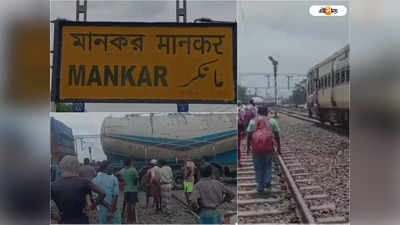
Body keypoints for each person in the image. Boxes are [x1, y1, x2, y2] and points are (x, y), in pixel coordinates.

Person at [51, 155, 106, 224]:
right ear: (77, 167)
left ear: (61, 166)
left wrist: (53, 216)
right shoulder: (84, 182)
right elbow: (102, 193)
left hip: (64, 220)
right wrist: (92, 207)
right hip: (82, 219)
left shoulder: (53, 185)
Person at [247, 107, 281, 197]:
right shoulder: (272, 121)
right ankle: (267, 181)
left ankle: (260, 187)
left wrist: (248, 148)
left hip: (256, 149)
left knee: (258, 167)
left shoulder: (252, 121)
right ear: (266, 113)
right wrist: (279, 148)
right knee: (268, 165)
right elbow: (277, 135)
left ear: (258, 112)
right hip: (268, 149)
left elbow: (249, 135)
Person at [118, 159, 139, 223]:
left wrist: (122, 181)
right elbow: (136, 178)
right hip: (133, 189)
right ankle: (133, 219)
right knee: (133, 205)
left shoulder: (122, 170)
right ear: (130, 163)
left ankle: (128, 219)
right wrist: (135, 183)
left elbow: (117, 175)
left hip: (126, 190)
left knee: (128, 205)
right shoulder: (133, 170)